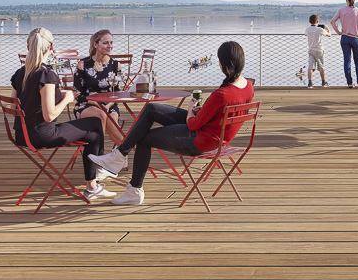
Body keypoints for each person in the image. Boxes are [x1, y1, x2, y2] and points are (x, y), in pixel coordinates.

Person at [89, 41, 254, 206]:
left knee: (144, 138)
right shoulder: (248, 87)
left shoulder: (222, 94)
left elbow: (193, 125)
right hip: (214, 136)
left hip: (200, 141)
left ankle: (133, 187)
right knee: (151, 109)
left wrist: (190, 109)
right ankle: (119, 155)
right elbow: (218, 114)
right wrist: (202, 111)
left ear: (224, 64)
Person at [10, 27, 114, 201]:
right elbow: (49, 116)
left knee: (93, 131)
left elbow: (14, 106)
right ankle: (95, 177)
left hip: (22, 135)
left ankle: (94, 180)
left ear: (28, 47)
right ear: (51, 47)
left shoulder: (20, 73)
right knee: (95, 124)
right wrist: (66, 99)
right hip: (42, 135)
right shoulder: (46, 75)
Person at [73, 29, 123, 145]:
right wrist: (96, 103)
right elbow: (77, 93)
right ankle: (99, 152)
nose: (109, 46)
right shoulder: (83, 64)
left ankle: (124, 152)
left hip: (109, 105)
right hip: (86, 104)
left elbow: (118, 92)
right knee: (101, 115)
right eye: (105, 43)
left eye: (111, 42)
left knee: (111, 121)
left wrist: (108, 105)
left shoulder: (116, 65)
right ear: (95, 45)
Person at [330, 0, 358, 88]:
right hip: (356, 39)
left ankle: (349, 83)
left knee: (347, 61)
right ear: (354, 0)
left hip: (345, 38)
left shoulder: (341, 11)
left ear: (346, 1)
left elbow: (332, 21)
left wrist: (338, 32)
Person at [305, 14, 331, 88]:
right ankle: (323, 82)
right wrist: (327, 28)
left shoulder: (307, 29)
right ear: (317, 21)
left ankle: (310, 83)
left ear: (309, 21)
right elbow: (329, 35)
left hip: (311, 50)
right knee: (321, 67)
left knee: (310, 67)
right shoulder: (320, 30)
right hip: (319, 50)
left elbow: (306, 34)